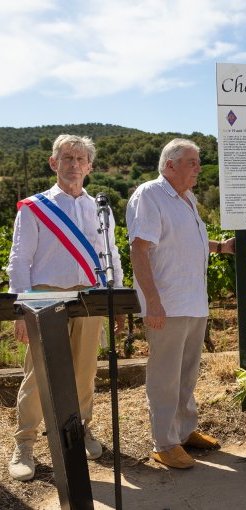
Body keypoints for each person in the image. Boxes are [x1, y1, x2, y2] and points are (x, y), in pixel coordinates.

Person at [7, 134, 124, 481]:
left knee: (85, 370)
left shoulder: (100, 209)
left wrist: (115, 299)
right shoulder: (34, 207)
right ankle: (25, 442)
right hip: (44, 297)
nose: (74, 164)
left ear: (89, 166)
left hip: (90, 296)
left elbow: (111, 255)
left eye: (81, 159)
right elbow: (19, 260)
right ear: (53, 162)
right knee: (38, 374)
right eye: (67, 158)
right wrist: (22, 310)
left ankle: (82, 428)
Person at [126, 138, 236, 469]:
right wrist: (154, 302)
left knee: (187, 374)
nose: (198, 168)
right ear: (170, 165)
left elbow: (185, 242)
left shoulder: (187, 199)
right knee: (165, 377)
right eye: (192, 162)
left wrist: (220, 247)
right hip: (168, 304)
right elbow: (139, 249)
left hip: (193, 302)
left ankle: (185, 431)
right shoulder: (150, 195)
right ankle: (164, 443)